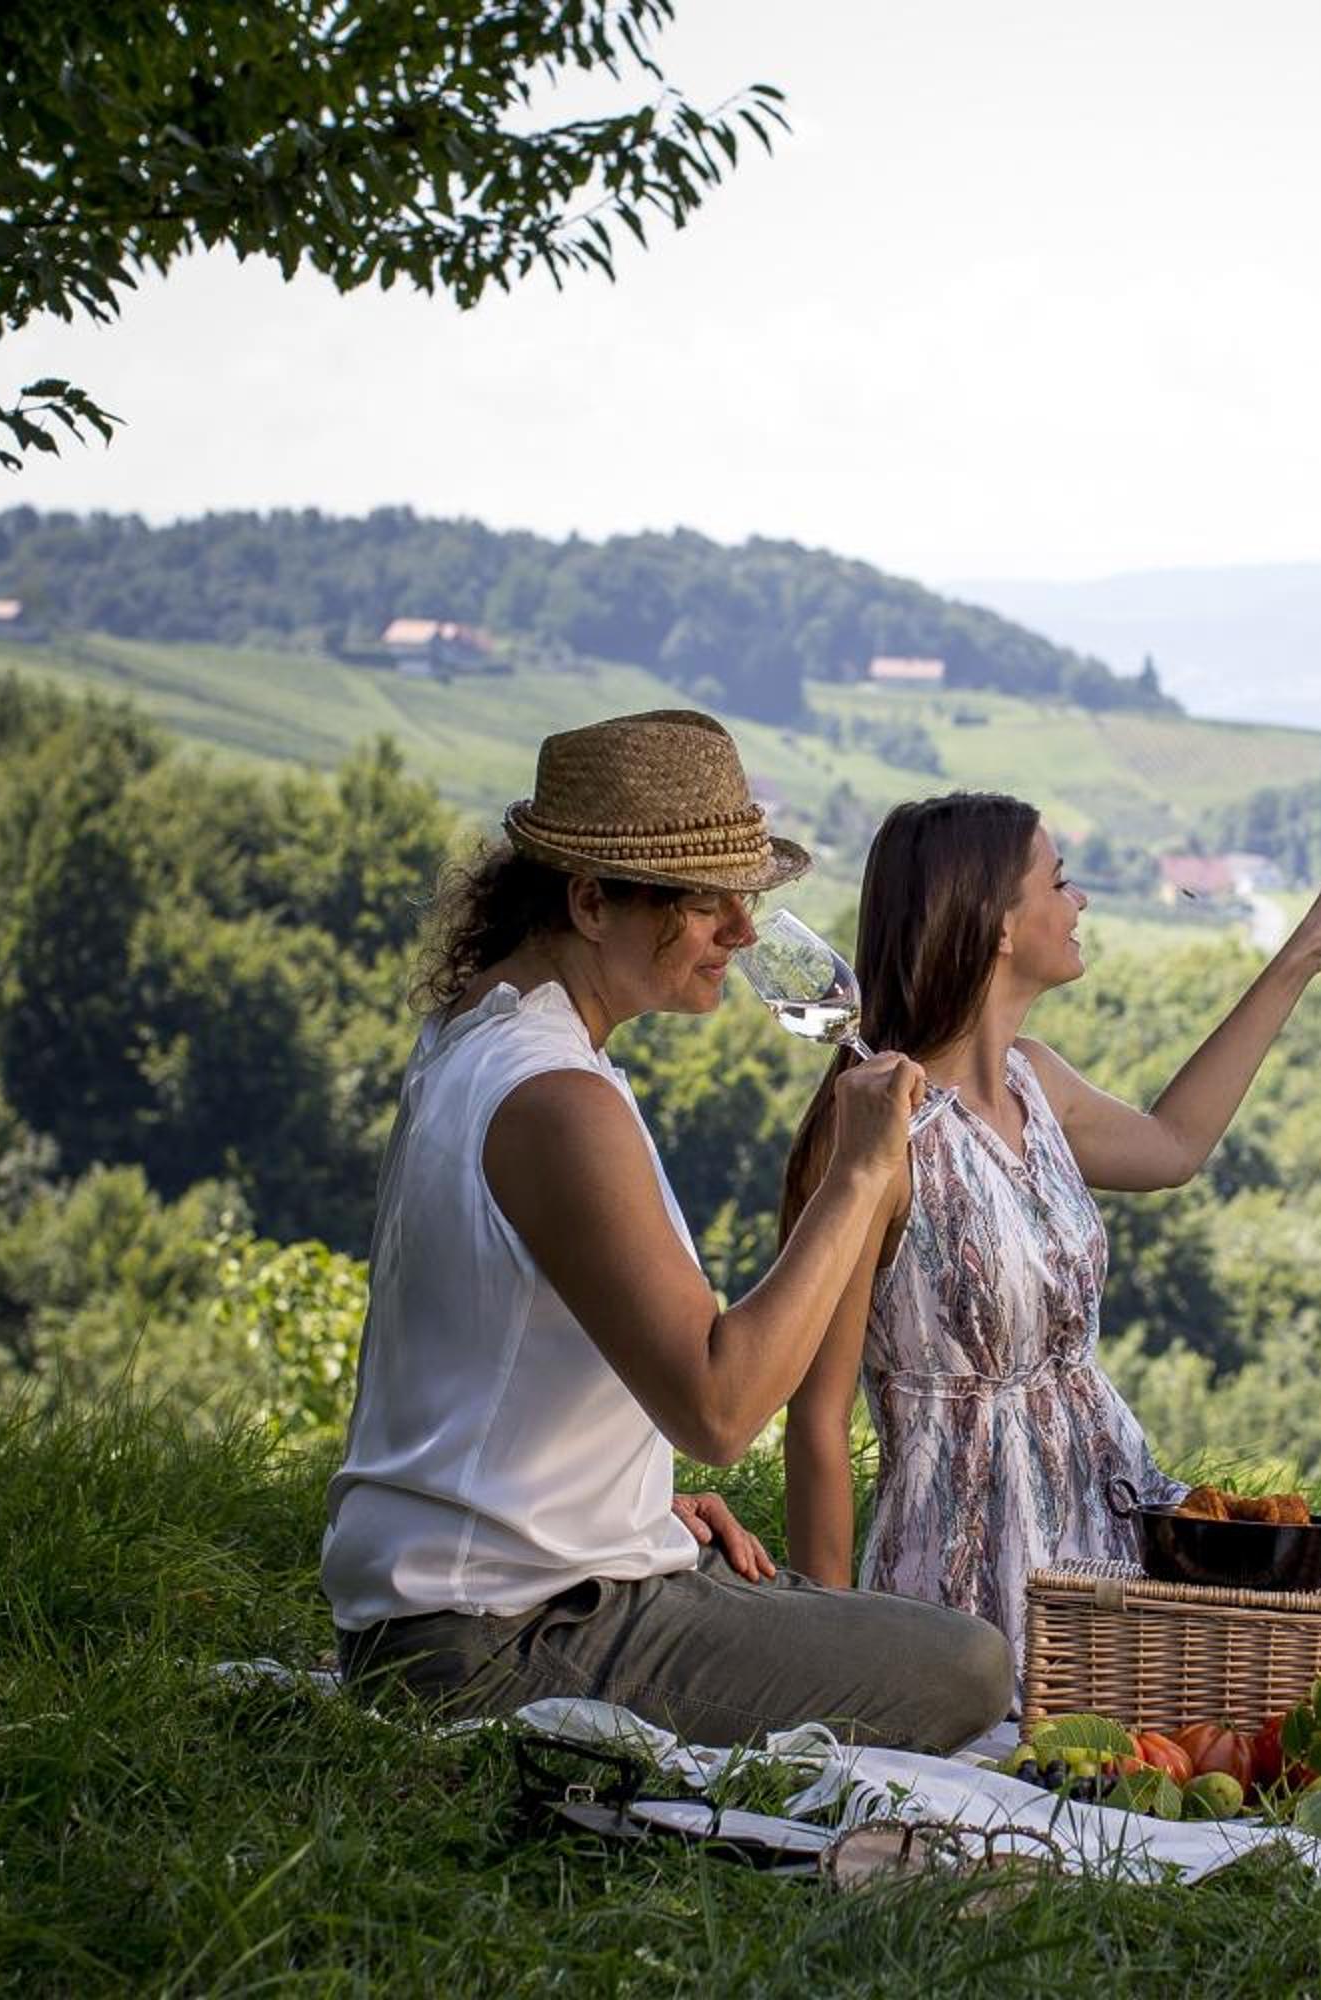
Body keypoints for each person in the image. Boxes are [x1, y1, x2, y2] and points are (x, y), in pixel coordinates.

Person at [322, 710, 1011, 1753]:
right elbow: (722, 1410)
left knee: (871, 1629)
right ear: (590, 900)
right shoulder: (557, 1098)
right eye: (702, 901)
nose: (742, 932)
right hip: (493, 1641)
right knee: (968, 1664)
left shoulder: (482, 1031)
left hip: (475, 1599)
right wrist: (861, 1174)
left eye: (746, 897)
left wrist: (623, 1503)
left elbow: (499, 1359)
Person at [777, 792, 1321, 1655]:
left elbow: (1174, 1146)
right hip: (966, 1575)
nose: (1081, 899)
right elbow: (818, 1417)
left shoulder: (1035, 1079)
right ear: (998, 924)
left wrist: (1306, 951)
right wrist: (832, 1654)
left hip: (1106, 1532)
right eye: (1059, 882)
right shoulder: (874, 1134)